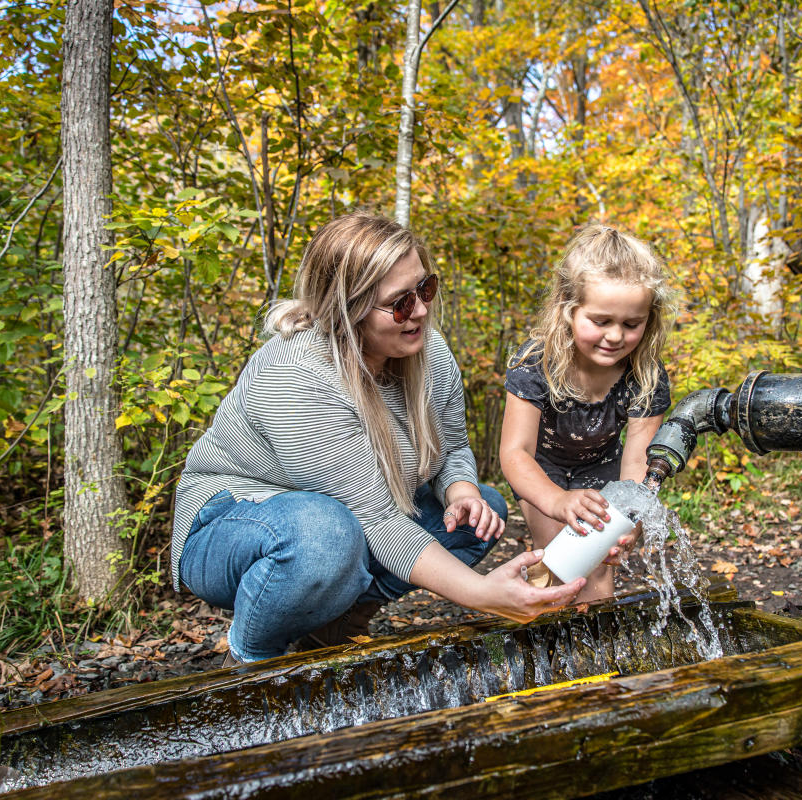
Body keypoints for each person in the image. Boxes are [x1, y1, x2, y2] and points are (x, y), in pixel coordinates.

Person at [172, 213, 585, 664]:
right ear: (347, 309)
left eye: (425, 289)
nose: (422, 311)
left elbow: (452, 449)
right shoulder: (296, 376)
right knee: (325, 533)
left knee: (482, 510)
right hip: (231, 524)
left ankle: (334, 626)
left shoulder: (428, 350)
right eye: (401, 303)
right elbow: (376, 521)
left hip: (346, 524)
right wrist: (485, 595)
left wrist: (461, 490)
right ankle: (250, 656)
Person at [499, 224, 673, 602]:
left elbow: (637, 470)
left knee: (599, 568)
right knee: (558, 560)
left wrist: (631, 526)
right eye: (601, 321)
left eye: (631, 324)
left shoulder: (645, 375)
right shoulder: (535, 364)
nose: (615, 336)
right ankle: (541, 642)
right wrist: (558, 500)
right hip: (541, 471)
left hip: (601, 469)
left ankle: (596, 658)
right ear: (568, 309)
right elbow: (515, 453)